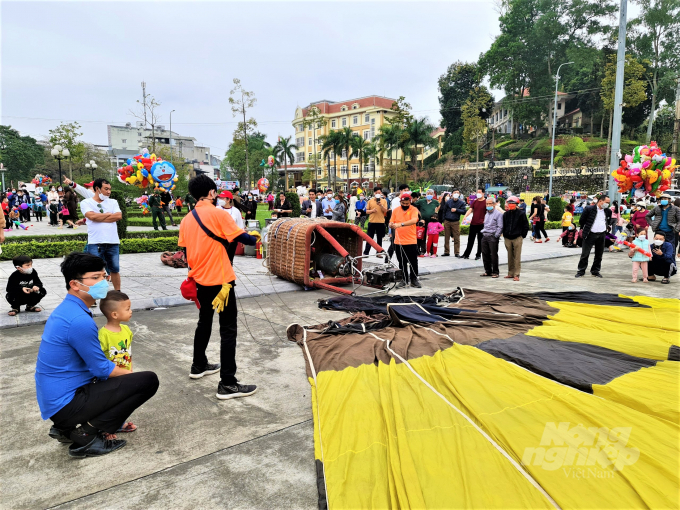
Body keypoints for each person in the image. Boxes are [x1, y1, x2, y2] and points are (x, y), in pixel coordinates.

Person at [35, 252, 159, 457]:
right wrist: (132, 377)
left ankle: (67, 428)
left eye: (104, 276)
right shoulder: (78, 320)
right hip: (66, 403)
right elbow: (102, 369)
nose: (103, 282)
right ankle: (85, 433)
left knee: (123, 381)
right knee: (147, 381)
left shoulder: (69, 309)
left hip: (59, 400)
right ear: (75, 284)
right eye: (95, 278)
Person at [178, 174, 259, 399]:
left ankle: (199, 365)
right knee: (228, 330)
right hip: (221, 283)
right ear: (212, 193)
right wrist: (256, 237)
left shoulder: (186, 219)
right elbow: (243, 238)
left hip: (199, 281)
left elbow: (185, 252)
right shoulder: (218, 214)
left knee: (204, 322)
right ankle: (228, 383)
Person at [98, 290, 137, 433]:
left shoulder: (126, 330)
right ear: (114, 314)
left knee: (124, 401)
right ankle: (108, 427)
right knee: (111, 402)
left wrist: (130, 370)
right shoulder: (103, 335)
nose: (131, 311)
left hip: (126, 373)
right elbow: (99, 358)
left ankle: (119, 423)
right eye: (127, 309)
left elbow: (128, 352)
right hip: (110, 376)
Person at [80, 178, 123, 291]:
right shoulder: (86, 202)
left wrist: (98, 217)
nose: (109, 192)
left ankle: (117, 293)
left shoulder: (113, 202)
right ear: (97, 189)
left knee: (114, 269)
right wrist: (108, 215)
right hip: (95, 242)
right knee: (94, 270)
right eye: (106, 189)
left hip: (112, 241)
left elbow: (118, 216)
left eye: (110, 189)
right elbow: (91, 217)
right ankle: (93, 295)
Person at [389, 193, 421, 288]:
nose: (405, 205)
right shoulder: (396, 210)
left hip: (411, 240)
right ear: (400, 202)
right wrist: (391, 224)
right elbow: (391, 221)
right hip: (398, 241)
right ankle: (403, 279)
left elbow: (414, 220)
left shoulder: (414, 209)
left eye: (407, 203)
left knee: (413, 261)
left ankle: (414, 280)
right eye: (403, 203)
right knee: (401, 261)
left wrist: (400, 224)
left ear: (410, 202)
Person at [575, 194, 611, 278]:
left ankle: (595, 271)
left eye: (609, 202)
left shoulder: (607, 211)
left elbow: (607, 221)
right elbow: (582, 221)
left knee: (599, 254)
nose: (607, 204)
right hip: (590, 234)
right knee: (585, 254)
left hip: (601, 234)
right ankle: (581, 271)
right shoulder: (589, 209)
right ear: (600, 201)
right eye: (606, 202)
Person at [502, 196, 529, 281]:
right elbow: (504, 225)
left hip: (517, 237)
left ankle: (516, 274)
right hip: (508, 238)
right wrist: (505, 234)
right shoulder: (506, 214)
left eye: (513, 204)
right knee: (510, 256)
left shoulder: (521, 214)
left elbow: (526, 226)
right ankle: (510, 273)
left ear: (516, 204)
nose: (511, 205)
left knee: (517, 257)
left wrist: (522, 236)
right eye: (509, 204)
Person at [480, 197, 504, 278]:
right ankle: (488, 271)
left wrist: (496, 236)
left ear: (494, 204)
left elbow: (500, 226)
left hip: (492, 237)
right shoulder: (486, 213)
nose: (488, 205)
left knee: (493, 255)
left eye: (490, 203)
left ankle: (495, 272)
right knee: (485, 254)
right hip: (485, 236)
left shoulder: (498, 214)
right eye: (487, 204)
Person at [218, 191, 244, 264]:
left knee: (229, 261)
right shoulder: (216, 209)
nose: (220, 200)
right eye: (220, 198)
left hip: (232, 240)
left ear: (228, 200)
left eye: (222, 198)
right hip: (219, 239)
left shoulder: (236, 211)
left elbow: (240, 226)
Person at [461, 189, 486, 260]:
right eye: (477, 192)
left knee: (480, 240)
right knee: (470, 239)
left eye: (480, 192)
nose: (478, 194)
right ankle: (466, 254)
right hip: (473, 223)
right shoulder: (475, 201)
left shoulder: (486, 202)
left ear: (483, 193)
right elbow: (470, 209)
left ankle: (478, 254)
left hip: (481, 224)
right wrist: (465, 216)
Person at [442, 188, 467, 257]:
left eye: (457, 192)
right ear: (452, 194)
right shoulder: (448, 202)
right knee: (446, 237)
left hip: (455, 221)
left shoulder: (461, 203)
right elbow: (444, 211)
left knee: (456, 238)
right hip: (447, 220)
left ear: (459, 194)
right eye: (454, 192)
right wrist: (444, 220)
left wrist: (457, 210)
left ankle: (457, 252)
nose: (456, 194)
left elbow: (464, 211)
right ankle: (446, 251)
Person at [363, 189, 388, 255]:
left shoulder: (384, 201)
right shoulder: (370, 201)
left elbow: (385, 210)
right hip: (372, 221)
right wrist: (372, 211)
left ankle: (379, 252)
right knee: (369, 238)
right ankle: (366, 252)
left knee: (379, 238)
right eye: (376, 192)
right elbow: (366, 211)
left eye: (379, 192)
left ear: (381, 193)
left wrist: (381, 205)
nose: (378, 194)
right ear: (374, 193)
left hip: (381, 222)